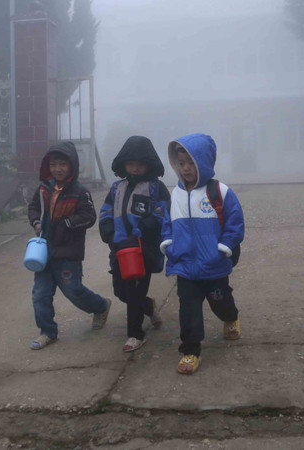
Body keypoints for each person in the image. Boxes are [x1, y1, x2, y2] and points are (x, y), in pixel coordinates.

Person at [160, 133, 245, 374]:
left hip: (213, 265)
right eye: (181, 163)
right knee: (188, 309)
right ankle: (190, 351)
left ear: (203, 162)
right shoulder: (175, 195)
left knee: (221, 302)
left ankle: (231, 317)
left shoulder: (220, 192)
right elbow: (166, 223)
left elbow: (235, 223)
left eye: (191, 162)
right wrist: (168, 244)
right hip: (185, 265)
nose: (186, 168)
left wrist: (223, 248)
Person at [27, 141, 112, 350]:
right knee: (40, 294)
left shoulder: (80, 192)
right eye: (53, 164)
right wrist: (36, 222)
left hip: (68, 252)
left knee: (73, 291)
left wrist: (66, 223)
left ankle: (101, 306)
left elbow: (89, 217)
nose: (58, 169)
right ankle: (48, 332)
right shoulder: (43, 189)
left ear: (72, 165)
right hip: (43, 252)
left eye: (63, 164)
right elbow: (33, 208)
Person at [99, 136, 170, 352]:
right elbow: (106, 211)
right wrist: (108, 231)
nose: (135, 168)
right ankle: (149, 306)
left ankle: (135, 335)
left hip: (142, 249)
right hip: (119, 248)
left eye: (140, 164)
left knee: (135, 291)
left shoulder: (155, 188)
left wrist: (148, 226)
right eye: (131, 163)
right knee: (121, 291)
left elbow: (163, 211)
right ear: (123, 164)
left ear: (150, 164)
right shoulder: (116, 188)